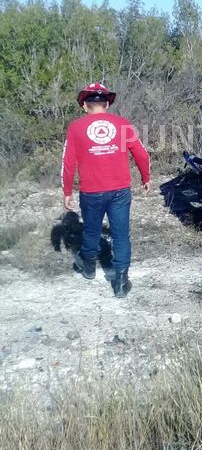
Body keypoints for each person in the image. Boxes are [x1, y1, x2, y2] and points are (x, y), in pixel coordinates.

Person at [61, 83, 150, 297]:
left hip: (91, 192)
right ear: (107, 104)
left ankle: (89, 267)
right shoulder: (122, 124)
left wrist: (66, 191)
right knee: (120, 235)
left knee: (92, 230)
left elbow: (68, 162)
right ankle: (120, 282)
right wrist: (145, 177)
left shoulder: (75, 127)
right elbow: (141, 153)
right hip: (120, 190)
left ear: (84, 105)